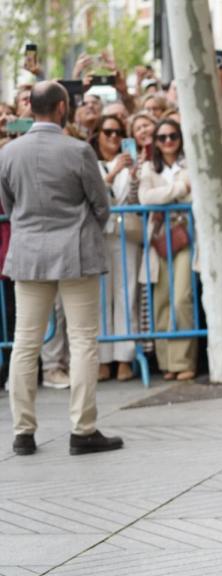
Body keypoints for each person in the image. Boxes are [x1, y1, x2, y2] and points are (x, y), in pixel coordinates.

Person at [0, 81, 124, 456]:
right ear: (59, 108)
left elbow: (8, 205)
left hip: (28, 254)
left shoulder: (8, 153)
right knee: (84, 340)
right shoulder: (78, 150)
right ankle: (82, 429)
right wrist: (86, 227)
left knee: (25, 343)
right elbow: (101, 204)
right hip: (76, 253)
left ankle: (23, 432)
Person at [138, 118, 197, 381]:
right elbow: (146, 198)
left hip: (186, 237)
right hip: (158, 240)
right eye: (162, 138)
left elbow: (193, 196)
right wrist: (179, 189)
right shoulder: (149, 168)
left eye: (173, 135)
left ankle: (184, 359)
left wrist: (166, 194)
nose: (168, 141)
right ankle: (166, 362)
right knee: (161, 300)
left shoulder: (190, 164)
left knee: (181, 297)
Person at [92, 114, 142, 382]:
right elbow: (91, 194)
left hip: (125, 234)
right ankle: (103, 359)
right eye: (108, 131)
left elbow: (134, 198)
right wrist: (111, 174)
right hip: (99, 235)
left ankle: (125, 357)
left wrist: (132, 175)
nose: (113, 137)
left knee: (127, 293)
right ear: (98, 134)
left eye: (119, 132)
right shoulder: (89, 161)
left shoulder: (132, 163)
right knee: (101, 297)